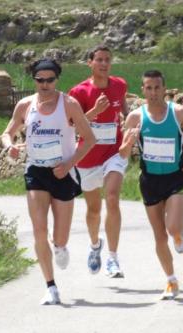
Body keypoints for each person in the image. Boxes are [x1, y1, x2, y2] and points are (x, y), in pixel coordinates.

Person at [2, 58, 96, 305]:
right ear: (34, 80)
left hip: (62, 174)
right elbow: (7, 132)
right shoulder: (25, 105)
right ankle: (50, 286)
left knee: (59, 237)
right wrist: (9, 146)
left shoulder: (69, 104)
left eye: (50, 80)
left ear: (57, 79)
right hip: (37, 171)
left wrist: (69, 164)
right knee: (39, 230)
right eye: (40, 80)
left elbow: (89, 138)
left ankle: (61, 247)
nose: (45, 85)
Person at [119, 70, 183, 300]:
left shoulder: (178, 113)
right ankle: (171, 280)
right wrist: (129, 141)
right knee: (159, 236)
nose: (153, 92)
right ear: (143, 90)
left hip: (175, 178)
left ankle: (179, 233)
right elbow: (123, 154)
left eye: (157, 88)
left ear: (164, 89)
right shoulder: (135, 117)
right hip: (150, 181)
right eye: (148, 88)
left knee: (173, 227)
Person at [68, 45, 129, 278]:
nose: (104, 64)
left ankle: (113, 258)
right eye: (99, 60)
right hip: (88, 156)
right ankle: (95, 245)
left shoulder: (120, 85)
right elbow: (72, 125)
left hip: (113, 152)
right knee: (94, 210)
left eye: (107, 60)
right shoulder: (79, 92)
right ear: (90, 63)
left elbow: (123, 107)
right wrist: (93, 112)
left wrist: (127, 118)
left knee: (112, 199)